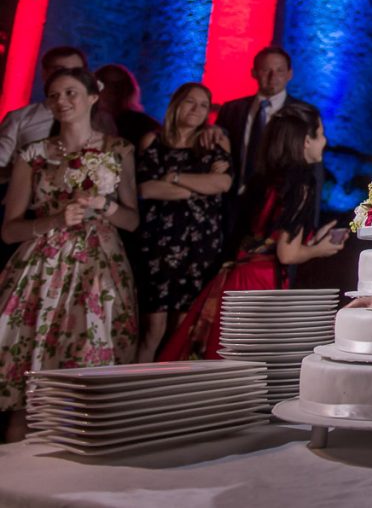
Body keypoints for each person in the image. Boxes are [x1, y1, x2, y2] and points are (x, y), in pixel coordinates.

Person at [0, 66, 139, 442]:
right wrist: (55, 220)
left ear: (92, 97)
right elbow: (9, 229)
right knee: (29, 389)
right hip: (43, 267)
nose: (61, 101)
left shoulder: (118, 149)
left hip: (99, 266)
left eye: (70, 92)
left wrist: (103, 205)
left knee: (89, 380)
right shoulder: (33, 155)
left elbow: (131, 221)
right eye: (54, 95)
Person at [158, 103, 345, 361]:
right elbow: (287, 254)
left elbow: (264, 235)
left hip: (237, 277)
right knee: (244, 365)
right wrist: (319, 250)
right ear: (305, 141)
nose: (324, 141)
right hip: (260, 285)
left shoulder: (263, 178)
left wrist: (310, 239)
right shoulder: (301, 181)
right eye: (321, 134)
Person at [135, 83, 233, 362]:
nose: (196, 109)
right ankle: (135, 383)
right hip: (158, 244)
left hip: (199, 244)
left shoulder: (213, 142)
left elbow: (222, 184)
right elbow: (145, 189)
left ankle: (171, 384)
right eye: (191, 102)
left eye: (203, 105)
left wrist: (174, 178)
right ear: (176, 103)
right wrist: (197, 188)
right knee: (153, 327)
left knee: (182, 326)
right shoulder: (152, 140)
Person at [215, 46, 312, 195]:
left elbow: (313, 164)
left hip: (278, 199)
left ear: (289, 74)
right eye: (266, 70)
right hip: (231, 195)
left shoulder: (303, 114)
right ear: (254, 73)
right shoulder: (231, 110)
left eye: (280, 71)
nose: (273, 76)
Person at [0, 46, 89, 182]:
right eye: (60, 71)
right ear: (45, 74)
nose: (69, 77)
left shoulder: (99, 118)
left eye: (76, 72)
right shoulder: (20, 118)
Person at [94, 64, 161, 150]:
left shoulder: (143, 124)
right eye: (105, 83)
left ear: (127, 89)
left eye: (117, 85)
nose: (111, 90)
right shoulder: (84, 120)